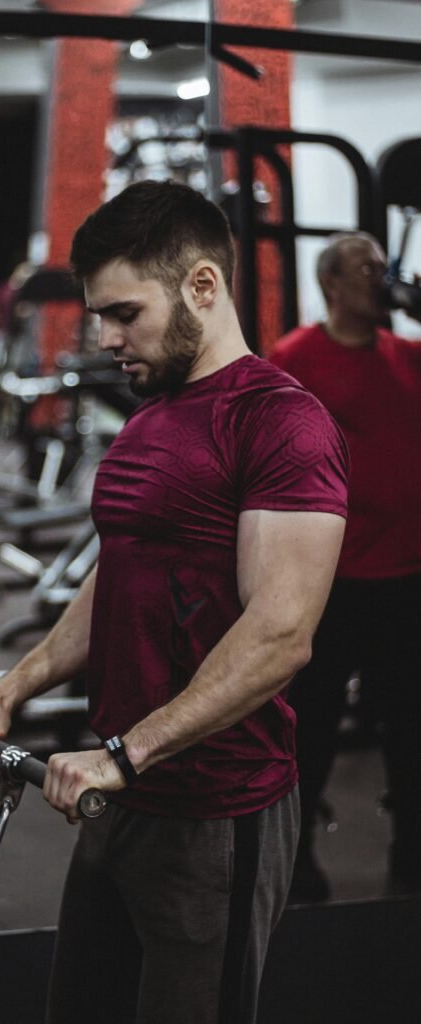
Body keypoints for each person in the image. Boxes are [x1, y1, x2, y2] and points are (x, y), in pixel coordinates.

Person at [0, 181, 348, 1024]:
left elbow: (279, 632)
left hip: (214, 812)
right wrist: (9, 690)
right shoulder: (152, 416)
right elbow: (118, 574)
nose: (104, 336)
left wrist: (125, 754)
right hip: (122, 799)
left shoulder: (279, 423)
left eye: (123, 312)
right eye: (99, 314)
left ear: (202, 286)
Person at [271, 231, 421, 902]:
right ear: (331, 283)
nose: (379, 277)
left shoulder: (407, 356)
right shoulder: (296, 358)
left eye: (382, 268)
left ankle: (412, 859)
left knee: (411, 733)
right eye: (366, 268)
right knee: (311, 731)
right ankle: (294, 864)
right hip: (331, 585)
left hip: (405, 582)